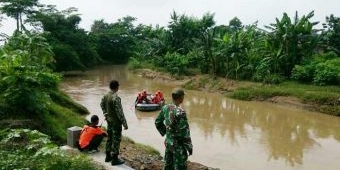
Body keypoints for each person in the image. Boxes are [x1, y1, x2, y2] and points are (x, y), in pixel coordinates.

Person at [155, 87, 193, 170]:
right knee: (180, 166)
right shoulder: (180, 112)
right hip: (178, 145)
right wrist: (189, 147)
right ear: (181, 98)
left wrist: (166, 133)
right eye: (183, 96)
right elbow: (185, 132)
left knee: (168, 165)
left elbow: (157, 122)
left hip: (168, 143)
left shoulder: (165, 107)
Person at [100, 80, 128, 166]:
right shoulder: (115, 98)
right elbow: (120, 112)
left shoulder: (106, 96)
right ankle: (115, 159)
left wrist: (105, 113)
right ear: (117, 87)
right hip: (116, 122)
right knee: (116, 139)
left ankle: (108, 156)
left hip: (109, 121)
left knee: (110, 138)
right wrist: (125, 124)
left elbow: (101, 104)